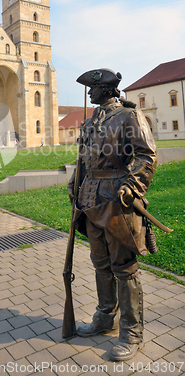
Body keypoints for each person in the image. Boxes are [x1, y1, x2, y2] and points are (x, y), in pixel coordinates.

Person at [68, 68, 157, 361]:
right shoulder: (91, 120)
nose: (89, 93)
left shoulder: (129, 117)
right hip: (90, 198)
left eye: (92, 89)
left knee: (124, 267)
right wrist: (74, 184)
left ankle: (132, 332)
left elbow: (146, 154)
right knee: (100, 263)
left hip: (117, 199)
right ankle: (105, 316)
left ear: (106, 89)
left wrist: (134, 184)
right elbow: (83, 158)